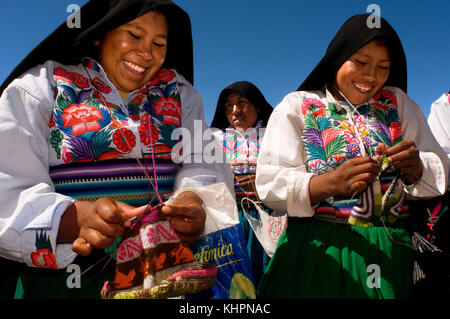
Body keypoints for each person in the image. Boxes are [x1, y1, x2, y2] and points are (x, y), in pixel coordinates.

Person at [0, 0, 233, 299]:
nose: (146, 52)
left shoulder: (181, 95)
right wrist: (79, 218)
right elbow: (7, 185)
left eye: (159, 43)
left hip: (162, 270)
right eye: (134, 35)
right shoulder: (42, 87)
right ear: (100, 33)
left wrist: (191, 198)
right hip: (71, 280)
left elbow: (203, 163)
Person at [255, 14, 448, 299]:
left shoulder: (400, 104)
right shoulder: (298, 106)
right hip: (318, 249)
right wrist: (328, 184)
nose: (371, 76)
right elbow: (270, 182)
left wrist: (417, 167)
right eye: (360, 62)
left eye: (383, 67)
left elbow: (441, 166)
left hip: (389, 251)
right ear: (338, 56)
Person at [210, 81, 275, 285]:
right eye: (229, 105)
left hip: (269, 218)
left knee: (266, 277)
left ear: (257, 106)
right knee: (232, 280)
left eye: (242, 102)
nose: (235, 110)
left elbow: (292, 169)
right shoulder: (213, 138)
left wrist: (263, 181)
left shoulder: (275, 135)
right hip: (228, 220)